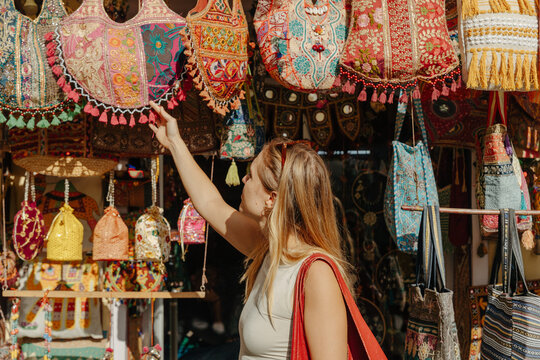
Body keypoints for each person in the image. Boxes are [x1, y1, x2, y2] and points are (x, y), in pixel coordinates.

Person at [149, 101, 355, 360]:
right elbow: (210, 204)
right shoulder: (270, 251)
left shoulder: (316, 274)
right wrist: (175, 142)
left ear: (271, 198)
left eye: (251, 176)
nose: (243, 181)